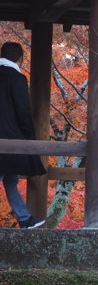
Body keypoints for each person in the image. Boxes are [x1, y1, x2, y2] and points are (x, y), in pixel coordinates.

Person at [0, 42, 46, 228]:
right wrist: (29, 138)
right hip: (10, 137)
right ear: (20, 58)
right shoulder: (16, 78)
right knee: (8, 177)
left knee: (10, 178)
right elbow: (22, 111)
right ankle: (25, 220)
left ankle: (25, 218)